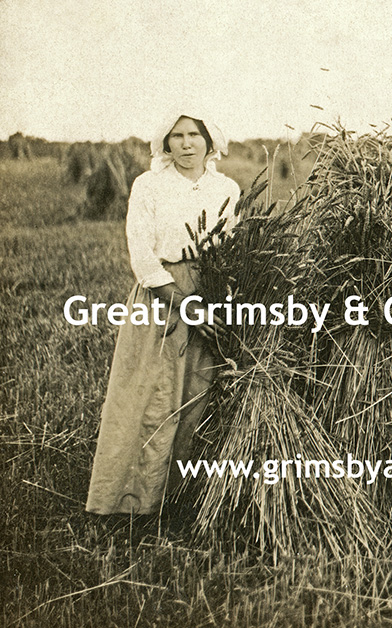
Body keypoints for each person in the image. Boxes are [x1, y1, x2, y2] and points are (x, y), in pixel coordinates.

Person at [86, 113, 240, 515]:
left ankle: (182, 499)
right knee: (152, 395)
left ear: (210, 142)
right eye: (178, 136)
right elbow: (141, 255)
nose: (187, 144)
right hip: (161, 297)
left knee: (197, 394)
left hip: (209, 294)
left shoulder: (227, 188)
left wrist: (218, 301)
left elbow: (232, 247)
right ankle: (132, 501)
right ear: (166, 144)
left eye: (195, 135)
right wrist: (184, 303)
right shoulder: (148, 185)